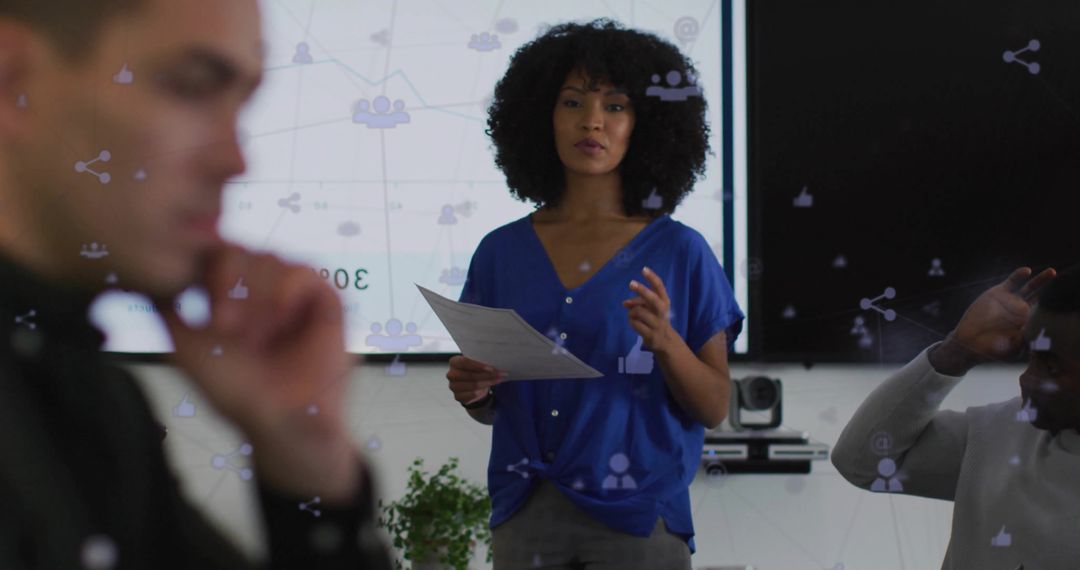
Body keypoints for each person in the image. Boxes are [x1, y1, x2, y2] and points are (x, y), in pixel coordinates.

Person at [0, 0, 390, 568]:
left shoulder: (95, 401)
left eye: (242, 105)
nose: (235, 160)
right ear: (15, 82)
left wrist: (308, 461)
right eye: (190, 87)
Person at [445, 20, 744, 569]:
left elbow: (715, 407)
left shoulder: (682, 252)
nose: (592, 121)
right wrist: (475, 392)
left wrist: (668, 344)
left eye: (615, 106)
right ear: (541, 117)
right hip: (526, 511)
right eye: (572, 102)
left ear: (647, 123)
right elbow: (492, 409)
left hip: (639, 519)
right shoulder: (499, 253)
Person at [832, 265, 1080, 569]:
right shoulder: (1001, 431)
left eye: (1052, 367)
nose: (1027, 379)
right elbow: (860, 463)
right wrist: (955, 353)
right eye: (1030, 356)